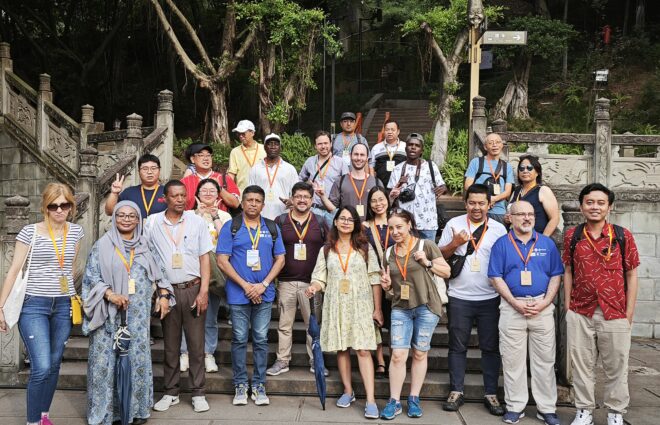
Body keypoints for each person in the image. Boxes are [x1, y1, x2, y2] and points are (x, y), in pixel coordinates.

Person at [0, 183, 85, 425]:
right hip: (34, 305)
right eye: (53, 205)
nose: (59, 210)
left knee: (55, 362)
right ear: (45, 207)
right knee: (42, 365)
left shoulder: (76, 232)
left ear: (71, 206)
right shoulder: (30, 232)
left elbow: (69, 267)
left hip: (63, 305)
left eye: (64, 205)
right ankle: (32, 421)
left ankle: (44, 415)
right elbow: (14, 270)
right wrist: (1, 307)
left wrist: (73, 297)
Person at [82, 201, 169, 425]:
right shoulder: (102, 246)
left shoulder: (146, 245)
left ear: (138, 220)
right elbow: (91, 278)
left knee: (136, 360)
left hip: (137, 317)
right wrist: (109, 294)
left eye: (131, 216)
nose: (126, 219)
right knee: (105, 363)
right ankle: (106, 413)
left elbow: (160, 274)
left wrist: (163, 295)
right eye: (121, 215)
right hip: (108, 316)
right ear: (114, 218)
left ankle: (135, 410)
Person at [563, 184, 639, 425]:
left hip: (614, 312)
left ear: (609, 207)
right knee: (582, 366)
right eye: (589, 202)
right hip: (580, 310)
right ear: (581, 205)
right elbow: (568, 272)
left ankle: (615, 413)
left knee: (617, 366)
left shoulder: (622, 235)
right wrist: (568, 308)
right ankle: (584, 410)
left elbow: (632, 275)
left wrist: (628, 314)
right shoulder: (573, 235)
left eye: (600, 203)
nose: (594, 207)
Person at [487, 201, 563, 425]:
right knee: (512, 362)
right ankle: (515, 406)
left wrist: (546, 302)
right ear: (510, 217)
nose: (527, 218)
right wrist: (514, 302)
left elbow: (556, 275)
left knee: (545, 362)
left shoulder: (546, 244)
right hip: (512, 308)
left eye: (530, 214)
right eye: (521, 214)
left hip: (541, 307)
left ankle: (546, 408)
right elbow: (495, 277)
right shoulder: (501, 244)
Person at [305, 206, 382, 420]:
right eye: (342, 218)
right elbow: (320, 277)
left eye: (350, 219)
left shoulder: (365, 248)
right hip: (336, 304)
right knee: (342, 349)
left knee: (364, 350)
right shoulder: (327, 250)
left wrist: (377, 309)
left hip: (361, 305)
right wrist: (314, 287)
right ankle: (348, 391)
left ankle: (371, 400)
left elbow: (375, 278)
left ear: (356, 223)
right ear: (336, 222)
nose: (346, 222)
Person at [145, 180, 214, 413]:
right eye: (175, 196)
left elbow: (205, 258)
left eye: (183, 195)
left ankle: (198, 392)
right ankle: (171, 391)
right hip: (167, 291)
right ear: (165, 198)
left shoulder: (196, 222)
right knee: (171, 345)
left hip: (193, 287)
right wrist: (158, 291)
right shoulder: (154, 223)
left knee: (196, 344)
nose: (180, 199)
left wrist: (204, 291)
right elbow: (148, 258)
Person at [438, 184, 507, 416]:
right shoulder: (454, 225)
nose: (476, 207)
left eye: (481, 203)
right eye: (472, 202)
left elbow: (505, 263)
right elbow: (439, 257)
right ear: (465, 203)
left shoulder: (498, 229)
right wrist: (455, 243)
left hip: (490, 297)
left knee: (490, 347)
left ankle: (490, 393)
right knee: (457, 346)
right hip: (459, 296)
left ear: (490, 204)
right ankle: (456, 391)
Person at [217, 185, 286, 406]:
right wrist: (246, 285)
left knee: (261, 339)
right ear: (243, 203)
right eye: (249, 200)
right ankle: (240, 384)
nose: (253, 204)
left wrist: (263, 284)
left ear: (263, 204)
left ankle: (258, 384)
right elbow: (221, 260)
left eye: (258, 200)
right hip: (238, 293)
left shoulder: (272, 227)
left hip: (264, 294)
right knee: (238, 339)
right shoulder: (232, 227)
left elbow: (281, 259)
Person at [378, 209, 450, 420]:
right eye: (391, 228)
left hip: (426, 306)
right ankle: (394, 401)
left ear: (409, 225)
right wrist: (387, 287)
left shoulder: (425, 245)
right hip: (400, 307)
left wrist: (427, 262)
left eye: (399, 227)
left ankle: (414, 398)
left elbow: (446, 272)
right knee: (399, 354)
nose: (395, 231)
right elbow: (391, 291)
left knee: (419, 353)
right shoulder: (388, 253)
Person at [266, 182, 328, 377]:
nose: (302, 200)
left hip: (312, 283)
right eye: (298, 196)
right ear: (291, 199)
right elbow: (271, 250)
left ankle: (315, 360)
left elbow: (328, 251)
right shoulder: (280, 220)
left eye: (306, 197)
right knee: (285, 324)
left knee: (314, 324)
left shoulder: (320, 221)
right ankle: (282, 360)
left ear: (312, 200)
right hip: (286, 281)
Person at [179, 179, 232, 373]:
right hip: (192, 271)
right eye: (204, 190)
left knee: (210, 317)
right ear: (197, 194)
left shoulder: (225, 216)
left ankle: (208, 353)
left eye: (212, 190)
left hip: (215, 272)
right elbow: (185, 239)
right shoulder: (188, 215)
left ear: (218, 194)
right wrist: (199, 215)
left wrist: (215, 215)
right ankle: (185, 352)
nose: (208, 193)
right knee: (189, 314)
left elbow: (227, 240)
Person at [388, 133, 447, 241]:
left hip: (428, 223)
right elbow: (390, 197)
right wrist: (398, 187)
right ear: (405, 148)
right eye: (410, 144)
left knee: (427, 256)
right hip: (406, 224)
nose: (413, 147)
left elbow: (442, 186)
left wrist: (443, 188)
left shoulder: (431, 166)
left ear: (422, 150)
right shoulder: (397, 169)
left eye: (417, 145)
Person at [362, 186, 394, 380]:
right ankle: (380, 360)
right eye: (374, 201)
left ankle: (395, 358)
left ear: (388, 201)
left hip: (397, 279)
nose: (378, 204)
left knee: (394, 319)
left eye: (381, 199)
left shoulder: (396, 223)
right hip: (372, 279)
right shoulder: (365, 227)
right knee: (376, 320)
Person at [319, 143, 381, 221]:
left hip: (370, 229)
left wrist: (392, 197)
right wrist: (322, 196)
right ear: (350, 155)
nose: (359, 158)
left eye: (362, 155)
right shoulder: (340, 181)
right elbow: (332, 209)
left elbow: (383, 206)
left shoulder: (376, 182)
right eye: (356, 154)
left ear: (367, 158)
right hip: (347, 228)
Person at [299, 130, 348, 227]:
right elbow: (299, 180)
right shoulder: (310, 161)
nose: (323, 146)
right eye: (320, 144)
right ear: (315, 146)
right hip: (313, 209)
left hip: (332, 210)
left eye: (326, 143)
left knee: (332, 239)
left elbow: (347, 185)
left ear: (331, 144)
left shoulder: (340, 163)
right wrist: (306, 185)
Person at [464, 133, 515, 224]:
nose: (494, 145)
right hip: (478, 210)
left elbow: (507, 192)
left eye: (498, 142)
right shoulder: (476, 162)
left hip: (499, 212)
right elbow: (468, 185)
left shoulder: (507, 167)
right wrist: (484, 199)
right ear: (485, 146)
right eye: (491, 143)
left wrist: (493, 199)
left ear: (502, 145)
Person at [504, 154, 560, 236]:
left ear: (537, 172)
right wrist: (507, 218)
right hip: (515, 239)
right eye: (521, 168)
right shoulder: (516, 190)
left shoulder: (543, 190)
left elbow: (555, 218)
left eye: (529, 168)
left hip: (536, 238)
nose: (525, 171)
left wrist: (543, 240)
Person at [248, 133, 299, 220]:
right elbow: (251, 193)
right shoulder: (255, 169)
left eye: (276, 144)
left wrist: (292, 200)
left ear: (280, 147)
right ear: (264, 147)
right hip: (261, 216)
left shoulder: (290, 169)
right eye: (269, 144)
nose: (273, 146)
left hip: (284, 216)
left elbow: (297, 192)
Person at [180, 143, 240, 212]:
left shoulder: (224, 178)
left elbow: (236, 204)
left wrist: (219, 187)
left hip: (221, 221)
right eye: (201, 155)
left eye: (208, 155)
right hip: (192, 221)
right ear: (193, 159)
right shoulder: (184, 182)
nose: (206, 158)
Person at [104, 153, 167, 218]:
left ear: (159, 170)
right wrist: (114, 193)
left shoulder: (167, 192)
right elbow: (110, 212)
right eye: (145, 169)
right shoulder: (129, 192)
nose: (149, 172)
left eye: (153, 168)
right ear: (139, 171)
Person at [228, 120, 267, 192]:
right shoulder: (235, 152)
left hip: (263, 193)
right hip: (242, 194)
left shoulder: (264, 149)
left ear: (252, 133)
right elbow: (231, 174)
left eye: (243, 133)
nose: (241, 136)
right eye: (239, 134)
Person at [369, 119, 406, 188]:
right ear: (384, 131)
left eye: (392, 130)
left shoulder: (405, 147)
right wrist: (373, 183)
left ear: (398, 131)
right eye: (387, 130)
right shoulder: (376, 148)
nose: (390, 132)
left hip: (401, 186)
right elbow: (371, 167)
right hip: (381, 186)